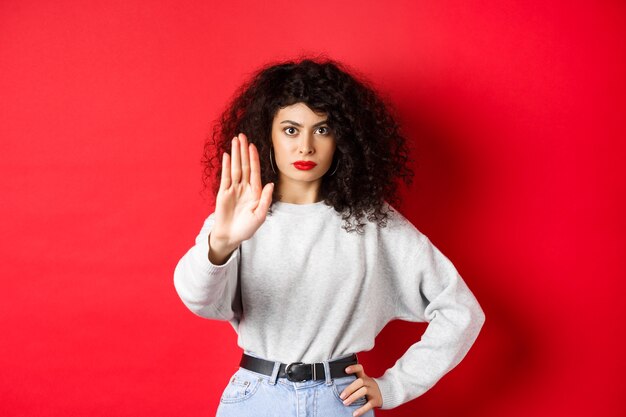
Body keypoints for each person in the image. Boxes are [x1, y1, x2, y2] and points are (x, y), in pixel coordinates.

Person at [174, 57, 485, 417]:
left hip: (340, 401)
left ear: (343, 138)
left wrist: (394, 386)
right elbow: (198, 300)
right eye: (291, 130)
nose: (305, 146)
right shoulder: (239, 216)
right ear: (268, 133)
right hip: (256, 398)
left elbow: (461, 310)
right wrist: (220, 245)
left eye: (322, 130)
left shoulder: (372, 221)